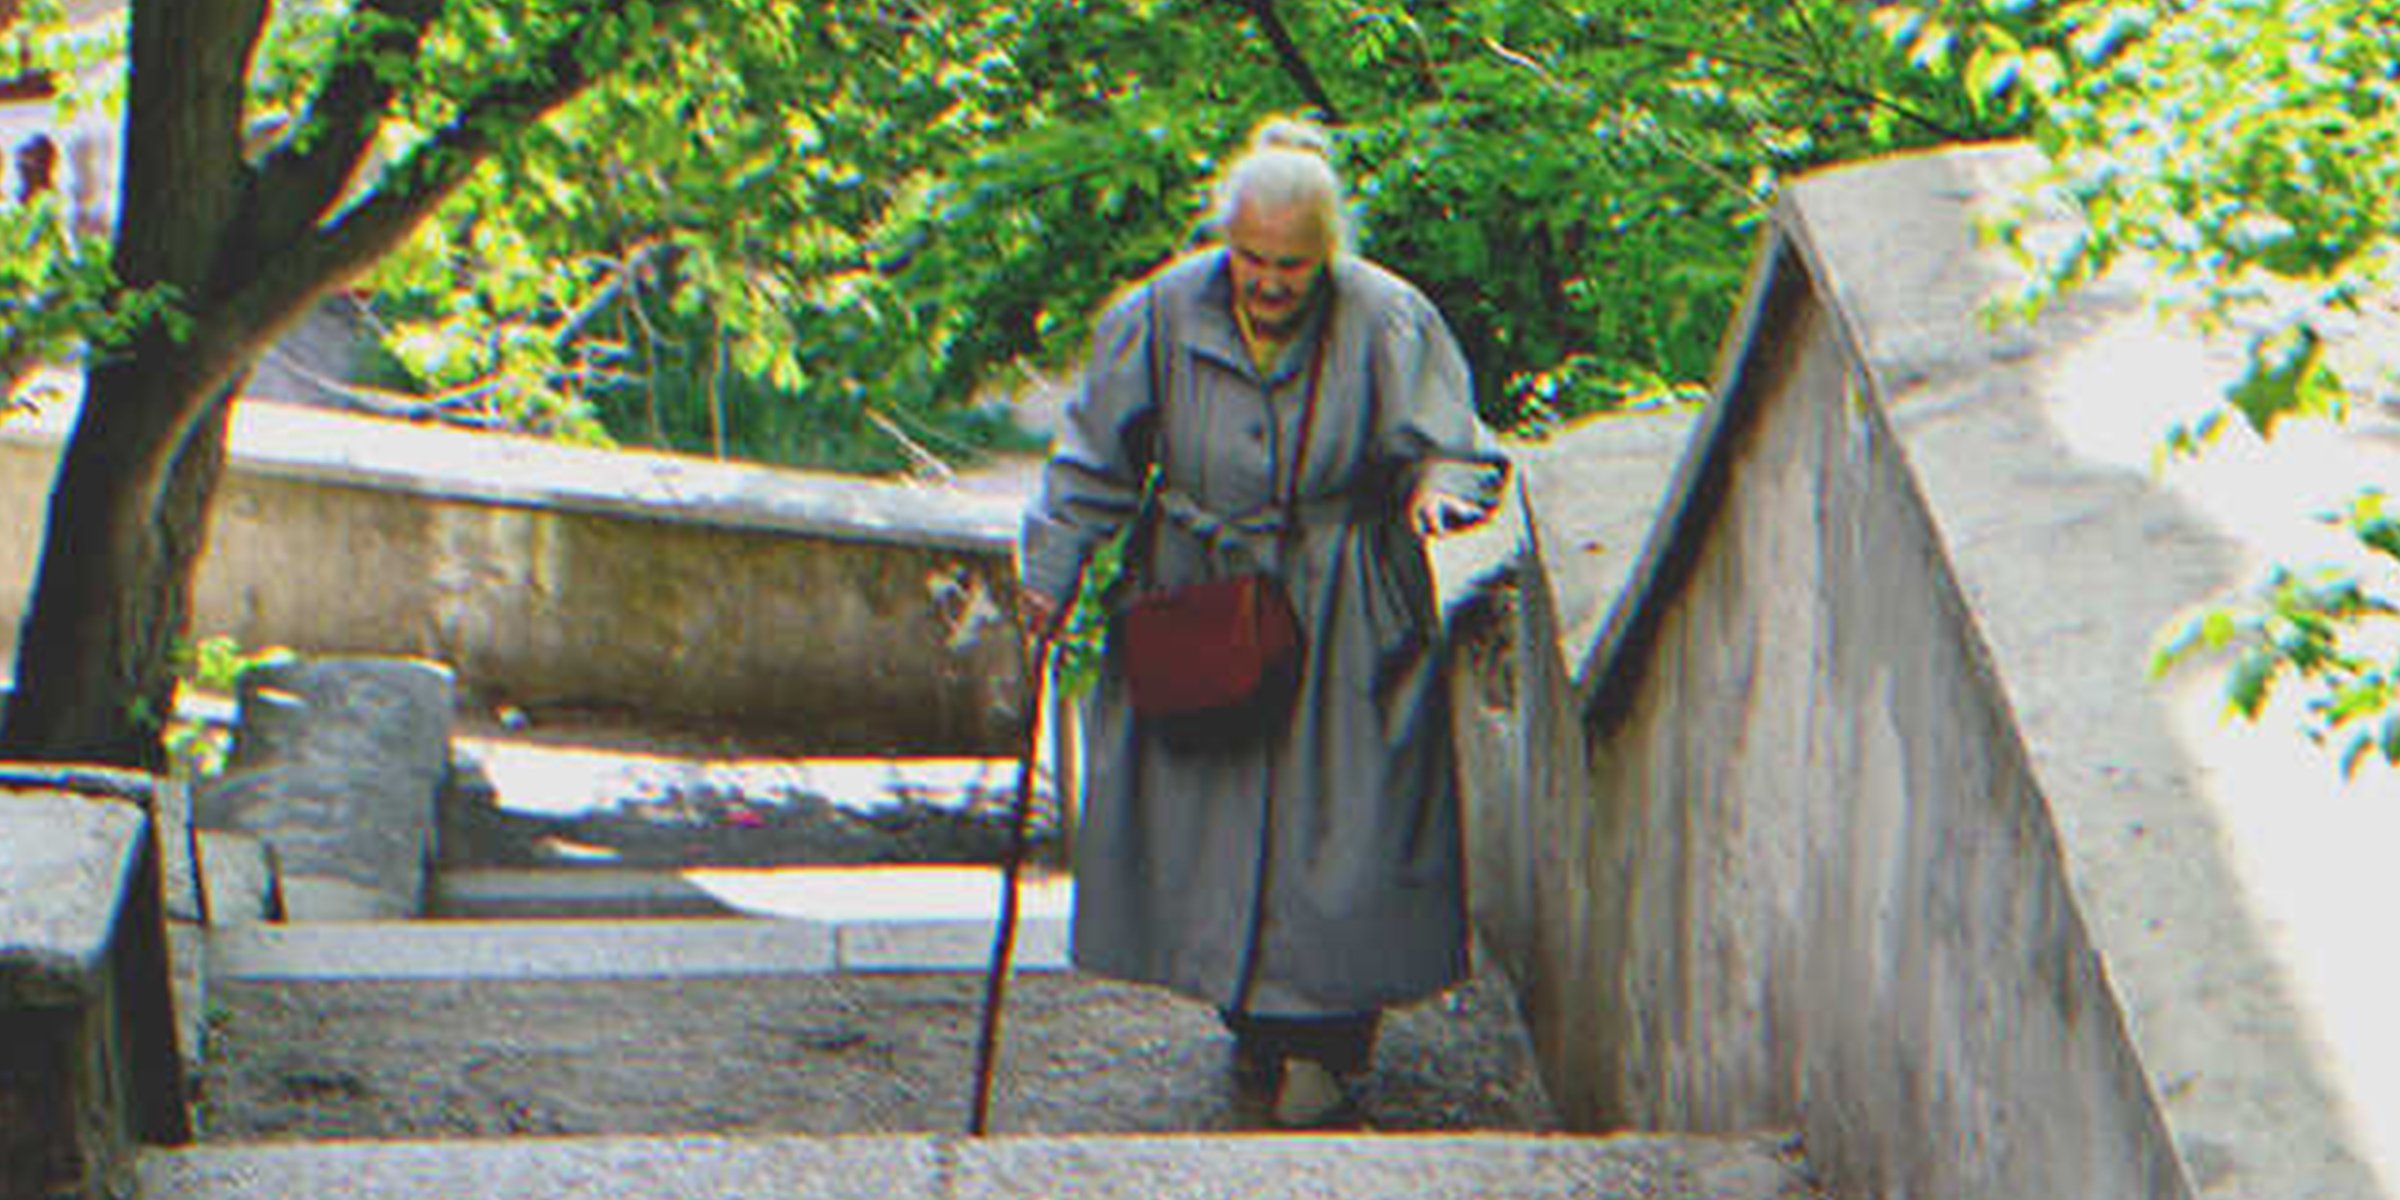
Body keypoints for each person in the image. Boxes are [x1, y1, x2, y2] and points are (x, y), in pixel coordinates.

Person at [1015, 116, 1507, 1128]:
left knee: (1344, 829)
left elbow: (1455, 444)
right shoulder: (1157, 314)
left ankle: (1326, 1042)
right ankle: (1253, 1026)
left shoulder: (1385, 317)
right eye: (1250, 258)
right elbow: (1094, 460)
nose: (1269, 283)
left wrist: (1436, 492)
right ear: (1222, 239)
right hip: (1202, 591)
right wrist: (1050, 576)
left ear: (1326, 253)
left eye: (1292, 264)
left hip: (1345, 604)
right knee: (1224, 821)